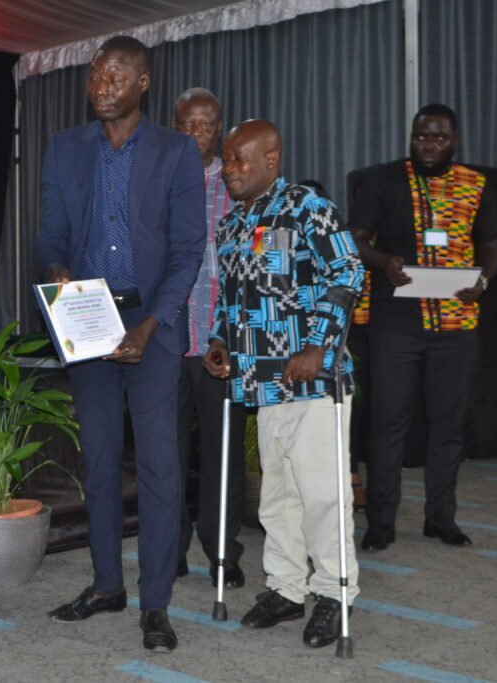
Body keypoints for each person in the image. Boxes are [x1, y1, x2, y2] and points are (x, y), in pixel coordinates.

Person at [36, 36, 206, 652]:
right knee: (100, 461)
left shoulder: (177, 151)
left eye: (114, 77)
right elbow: (50, 234)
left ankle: (155, 603)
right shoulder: (63, 149)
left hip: (152, 326)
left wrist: (151, 323)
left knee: (160, 468)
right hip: (88, 321)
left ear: (142, 83)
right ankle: (107, 584)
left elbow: (188, 250)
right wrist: (57, 270)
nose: (101, 87)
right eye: (93, 77)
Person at [204, 120, 363, 648]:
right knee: (277, 499)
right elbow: (230, 301)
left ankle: (335, 596)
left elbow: (348, 274)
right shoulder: (230, 227)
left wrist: (318, 345)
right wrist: (219, 341)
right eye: (226, 160)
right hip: (262, 387)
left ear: (271, 159)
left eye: (239, 160)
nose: (229, 170)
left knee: (322, 497)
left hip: (314, 385)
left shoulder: (306, 208)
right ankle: (288, 589)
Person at [351, 103, 497, 552]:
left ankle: (441, 519)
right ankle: (381, 524)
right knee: (389, 423)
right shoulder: (382, 180)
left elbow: (492, 247)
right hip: (396, 322)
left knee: (448, 425)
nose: (428, 144)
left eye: (438, 137)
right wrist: (384, 262)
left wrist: (484, 279)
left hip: (456, 321)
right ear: (411, 136)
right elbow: (353, 239)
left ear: (454, 140)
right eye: (421, 136)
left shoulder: (475, 186)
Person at [171, 87, 246, 588]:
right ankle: (167, 547)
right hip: (167, 343)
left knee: (224, 454)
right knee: (166, 454)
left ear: (219, 129)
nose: (199, 132)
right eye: (189, 123)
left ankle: (223, 552)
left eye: (208, 123)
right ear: (175, 126)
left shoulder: (240, 184)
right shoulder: (157, 183)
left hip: (221, 344)